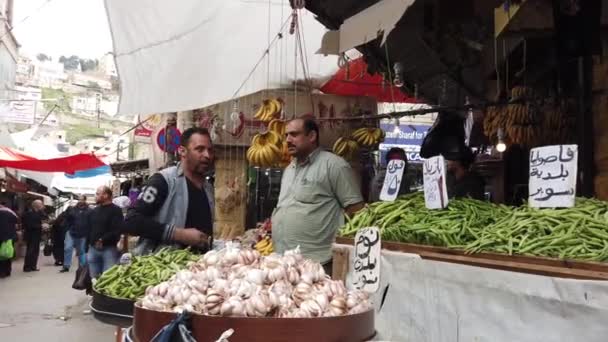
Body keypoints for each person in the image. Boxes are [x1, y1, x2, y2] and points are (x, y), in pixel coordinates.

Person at [271, 118, 364, 275]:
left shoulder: (334, 165)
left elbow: (356, 210)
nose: (288, 140)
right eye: (286, 135)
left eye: (294, 134)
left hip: (318, 263)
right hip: (285, 261)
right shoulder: (289, 169)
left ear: (312, 136)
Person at [124, 127, 215, 255]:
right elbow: (132, 221)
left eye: (210, 150)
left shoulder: (208, 188)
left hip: (198, 270)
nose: (207, 155)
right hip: (164, 269)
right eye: (200, 149)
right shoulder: (163, 181)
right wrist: (179, 234)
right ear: (182, 151)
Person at [87, 186, 124, 278]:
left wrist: (102, 239)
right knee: (94, 279)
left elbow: (117, 230)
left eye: (98, 194)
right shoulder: (94, 210)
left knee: (107, 278)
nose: (96, 196)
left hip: (109, 249)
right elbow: (90, 228)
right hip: (93, 249)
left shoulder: (116, 210)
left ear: (106, 195)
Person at [61, 196, 92, 273]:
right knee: (67, 248)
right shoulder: (72, 209)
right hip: (71, 232)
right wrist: (66, 228)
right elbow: (67, 219)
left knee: (81, 251)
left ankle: (82, 267)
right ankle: (66, 266)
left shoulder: (89, 211)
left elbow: (91, 222)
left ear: (85, 200)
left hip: (83, 233)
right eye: (79, 199)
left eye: (82, 199)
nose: (80, 201)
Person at [22, 200, 47, 272]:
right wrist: (41, 226)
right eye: (41, 204)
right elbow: (30, 225)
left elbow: (44, 218)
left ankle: (33, 266)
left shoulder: (39, 213)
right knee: (30, 251)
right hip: (31, 235)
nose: (42, 205)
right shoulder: (29, 213)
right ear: (37, 205)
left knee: (35, 251)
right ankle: (27, 267)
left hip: (37, 235)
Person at [0, 204, 18, 278]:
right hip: (10, 237)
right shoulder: (11, 214)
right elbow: (16, 224)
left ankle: (1, 272)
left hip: (2, 237)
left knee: (1, 255)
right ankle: (7, 271)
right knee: (7, 254)